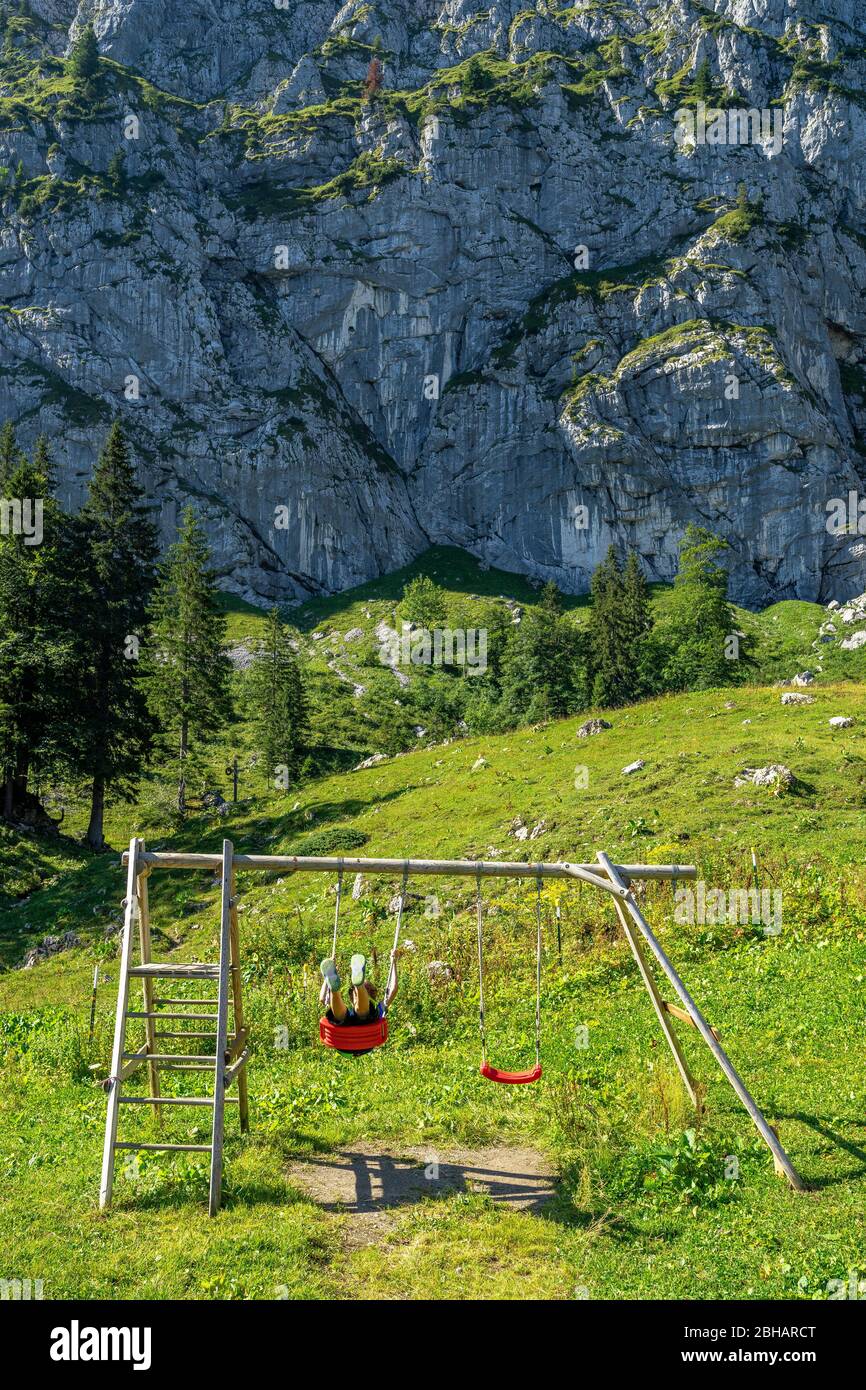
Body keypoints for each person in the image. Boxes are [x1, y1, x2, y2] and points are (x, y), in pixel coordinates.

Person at [319, 952, 398, 1031]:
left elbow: (322, 998)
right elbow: (393, 989)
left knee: (342, 1017)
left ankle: (338, 989)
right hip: (367, 1032)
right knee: (348, 1015)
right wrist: (393, 963)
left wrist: (393, 963)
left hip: (345, 1032)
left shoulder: (377, 1009)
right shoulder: (379, 1009)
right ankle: (354, 986)